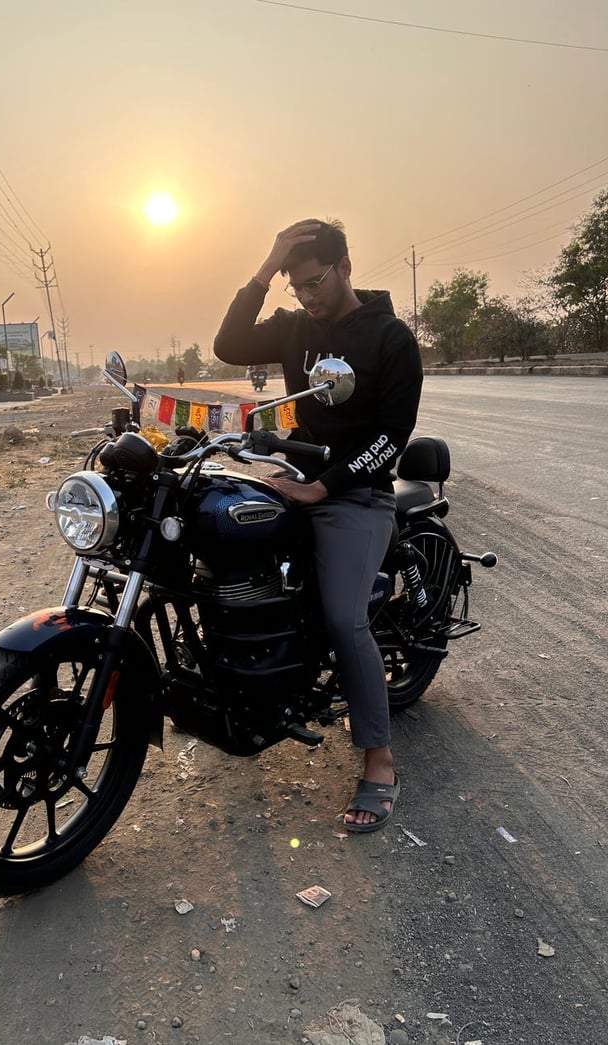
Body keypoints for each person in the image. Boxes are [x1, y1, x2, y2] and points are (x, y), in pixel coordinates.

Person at [214, 218, 423, 833]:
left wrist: (325, 486)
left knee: (343, 619)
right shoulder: (294, 328)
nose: (306, 296)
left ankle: (379, 760)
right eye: (295, 285)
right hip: (296, 480)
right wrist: (267, 263)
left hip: (357, 494)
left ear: (345, 267)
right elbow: (228, 344)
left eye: (314, 282)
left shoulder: (390, 338)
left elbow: (392, 435)